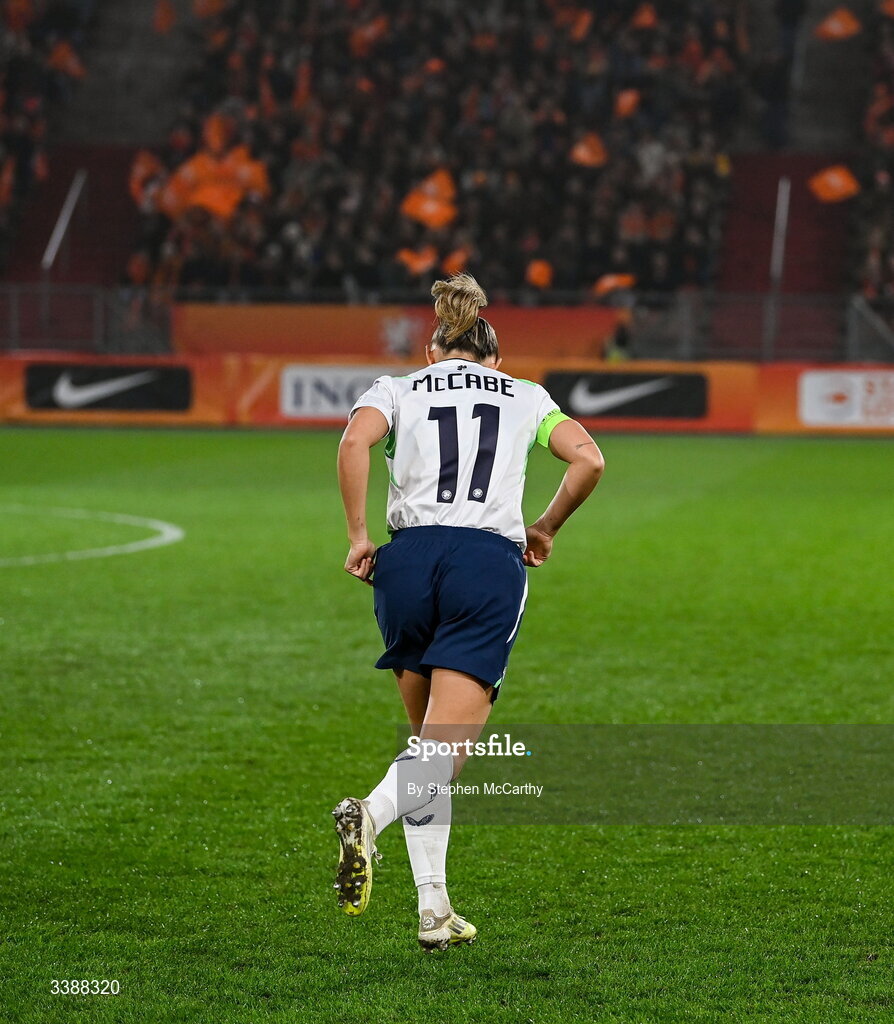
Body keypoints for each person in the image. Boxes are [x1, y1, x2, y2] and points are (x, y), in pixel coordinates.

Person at [332, 273, 605, 951]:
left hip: (405, 564)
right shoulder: (525, 394)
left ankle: (435, 912)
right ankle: (369, 813)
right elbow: (590, 460)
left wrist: (359, 537)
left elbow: (353, 444)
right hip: (484, 564)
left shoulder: (397, 388)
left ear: (431, 352)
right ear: (496, 358)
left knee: (425, 746)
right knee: (441, 754)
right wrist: (545, 527)